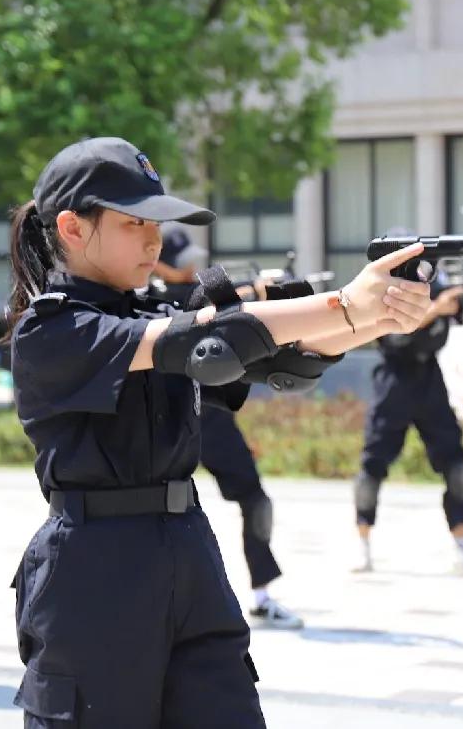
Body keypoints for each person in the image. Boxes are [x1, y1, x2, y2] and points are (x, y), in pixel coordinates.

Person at [6, 137, 431, 728]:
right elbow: (204, 340)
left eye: (157, 222)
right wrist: (344, 304)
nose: (154, 239)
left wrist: (378, 313)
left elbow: (283, 356)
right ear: (73, 228)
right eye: (134, 223)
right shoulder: (53, 329)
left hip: (188, 554)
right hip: (94, 569)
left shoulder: (149, 311)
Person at [154, 225, 303, 630]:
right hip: (164, 421)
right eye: (181, 264)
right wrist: (249, 292)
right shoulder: (151, 302)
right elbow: (193, 314)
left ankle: (262, 594)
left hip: (211, 415)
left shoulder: (191, 295)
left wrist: (256, 293)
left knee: (256, 500)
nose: (191, 270)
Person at [353, 256, 463, 577]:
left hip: (430, 380)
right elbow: (393, 335)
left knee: (457, 465)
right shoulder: (387, 291)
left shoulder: (438, 288)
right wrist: (436, 309)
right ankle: (363, 544)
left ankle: (461, 547)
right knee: (373, 464)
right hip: (394, 380)